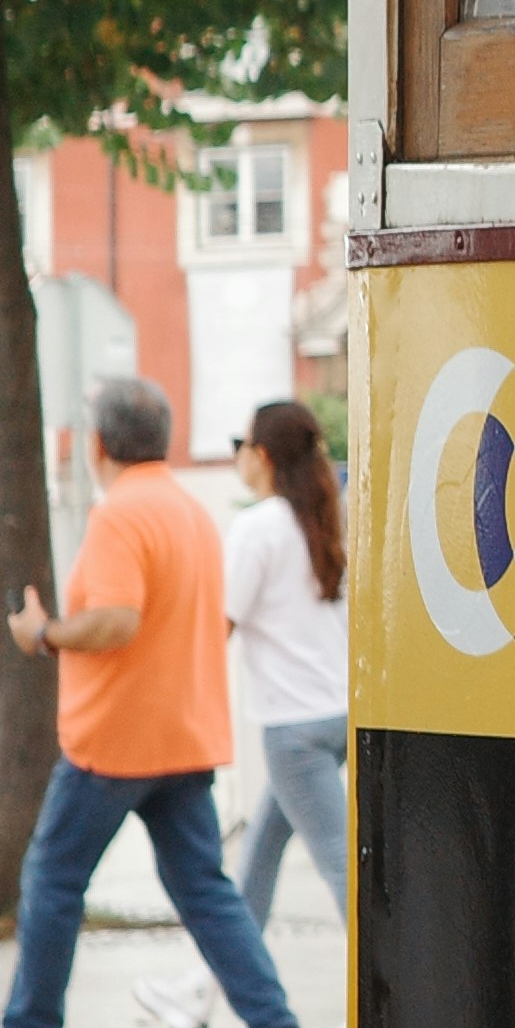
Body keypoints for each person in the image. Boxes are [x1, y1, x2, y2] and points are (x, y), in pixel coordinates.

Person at [0, 375, 312, 1028]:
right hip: (184, 733)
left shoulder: (120, 516)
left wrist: (43, 633)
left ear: (97, 445)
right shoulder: (192, 512)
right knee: (205, 888)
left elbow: (118, 619)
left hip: (115, 740)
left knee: (53, 877)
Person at [223, 396, 350, 952]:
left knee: (344, 870)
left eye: (243, 446)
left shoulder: (258, 528)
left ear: (264, 455)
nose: (239, 457)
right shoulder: (322, 519)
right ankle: (207, 988)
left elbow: (218, 624)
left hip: (293, 729)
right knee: (259, 858)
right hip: (334, 712)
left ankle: (382, 1010)